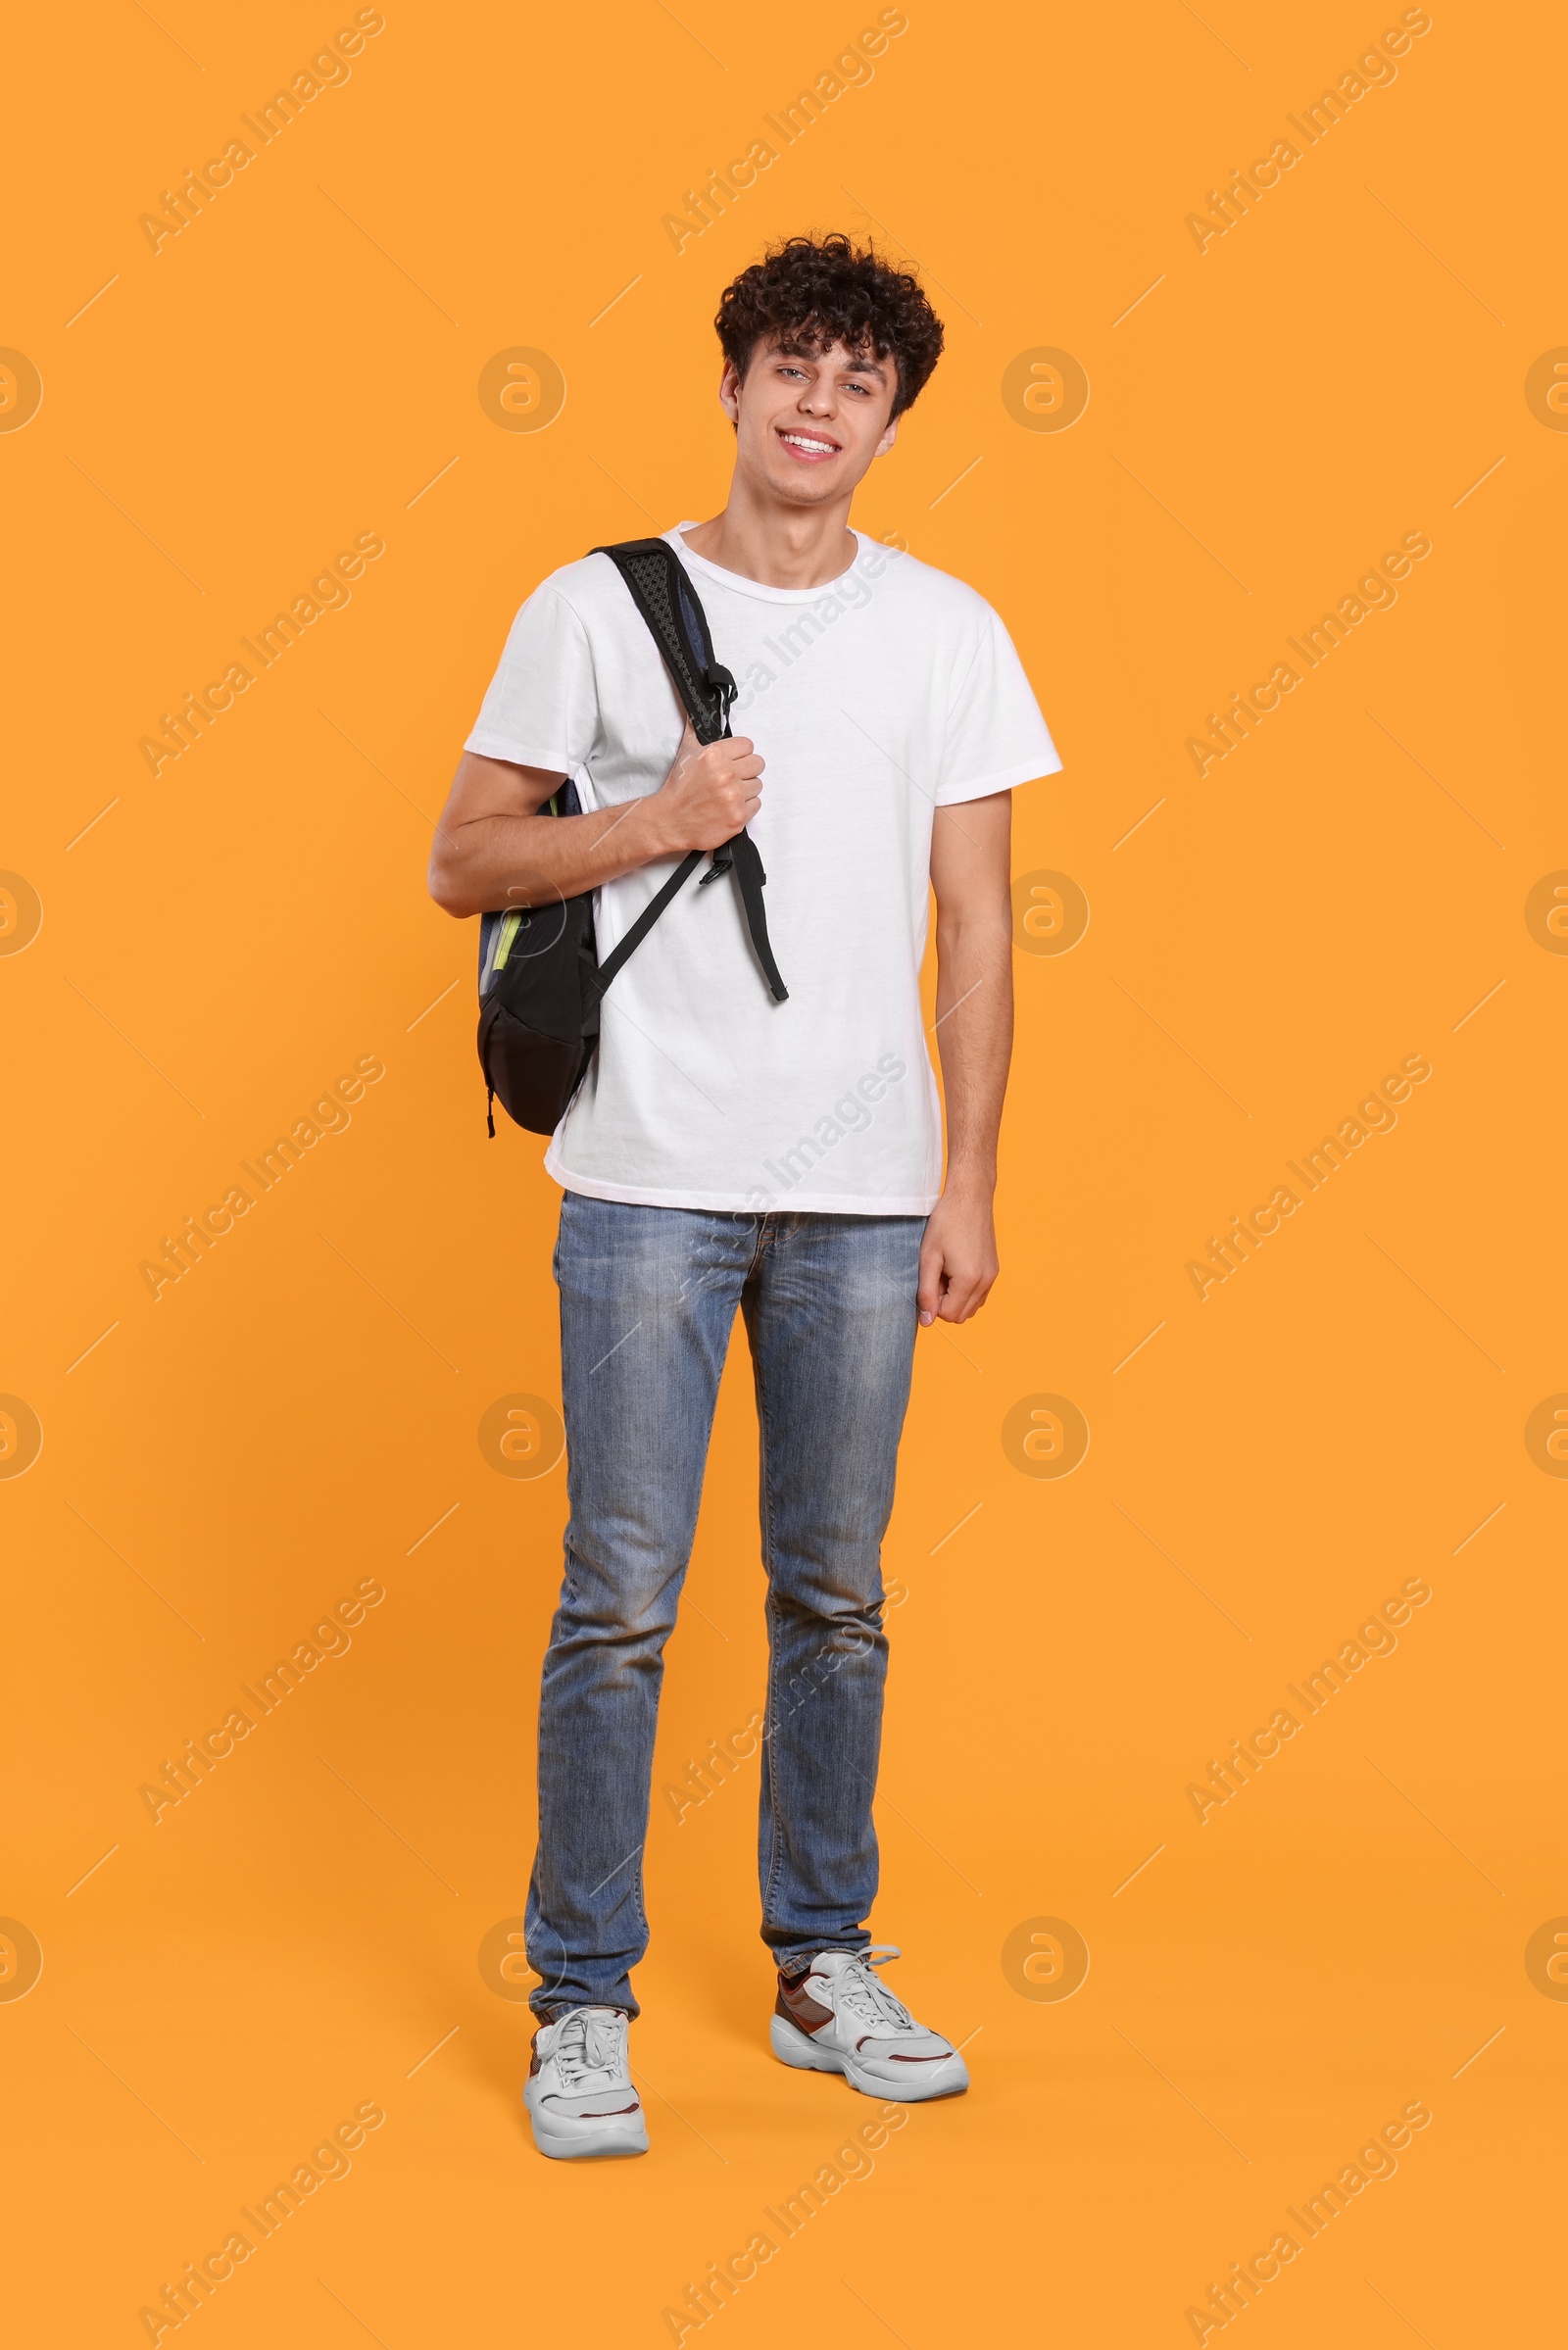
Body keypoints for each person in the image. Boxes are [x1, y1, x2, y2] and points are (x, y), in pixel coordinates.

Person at [429, 232, 1059, 2160]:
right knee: (617, 1596)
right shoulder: (594, 607)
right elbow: (464, 857)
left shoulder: (948, 628)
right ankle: (581, 1999)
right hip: (642, 1176)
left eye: (854, 380)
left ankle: (819, 1958)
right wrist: (658, 818)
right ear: (728, 388)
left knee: (834, 1592)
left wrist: (963, 1177)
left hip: (865, 1199)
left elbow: (974, 920)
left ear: (887, 417)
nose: (814, 402)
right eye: (787, 365)